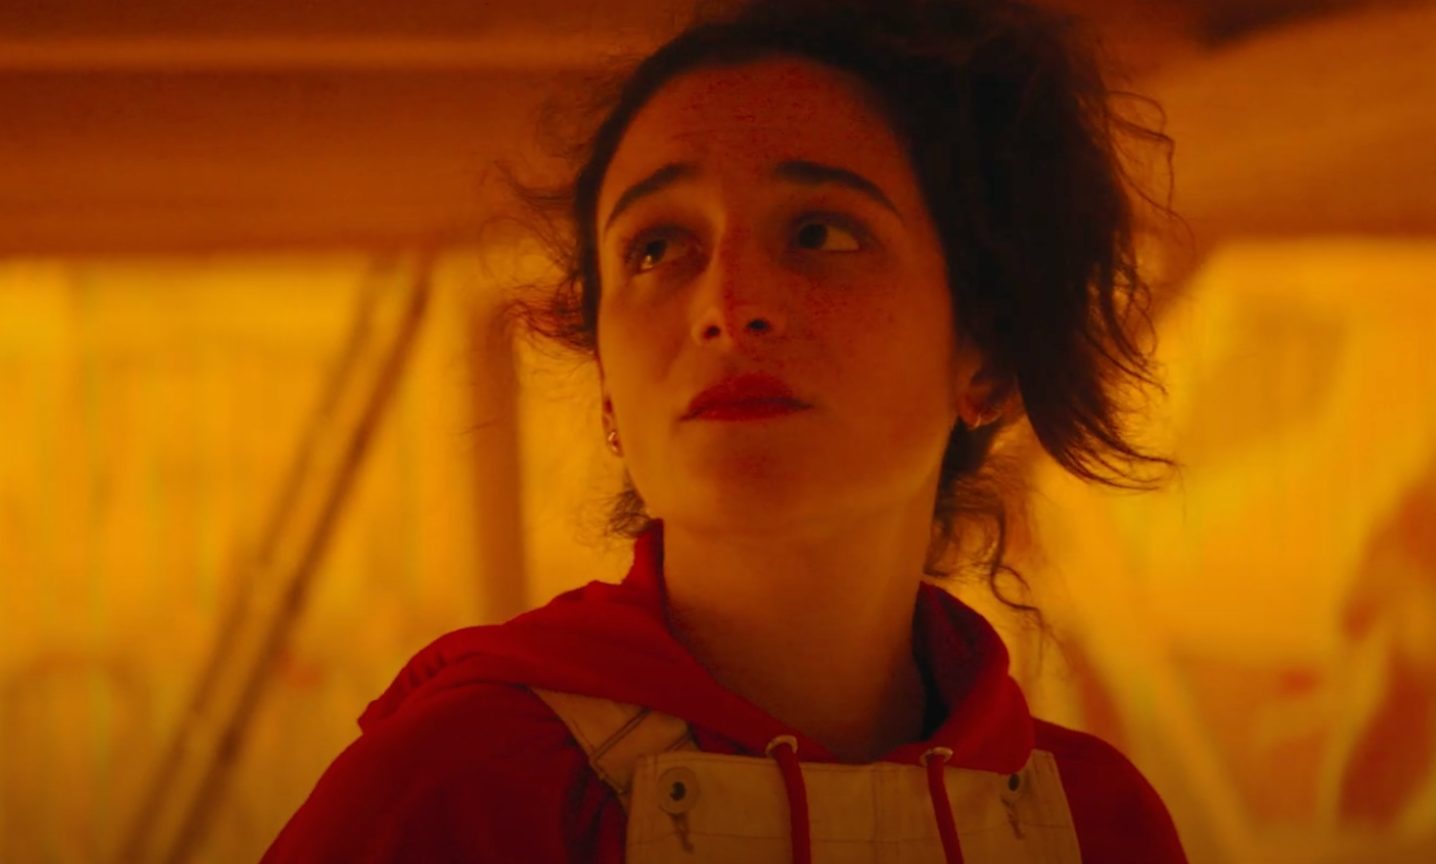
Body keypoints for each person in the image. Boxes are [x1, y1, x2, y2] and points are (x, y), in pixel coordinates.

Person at [262, 0, 1186, 860]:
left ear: (986, 355)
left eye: (821, 233)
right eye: (657, 248)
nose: (728, 304)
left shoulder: (1099, 825)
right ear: (608, 387)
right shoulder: (447, 796)